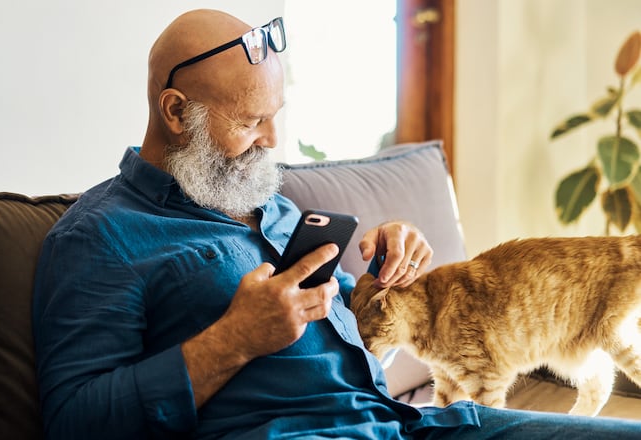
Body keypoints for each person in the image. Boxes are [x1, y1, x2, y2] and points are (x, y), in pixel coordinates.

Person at [32, 9, 641, 439]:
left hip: (410, 423)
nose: (272, 141)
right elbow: (76, 421)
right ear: (174, 112)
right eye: (250, 122)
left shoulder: (264, 199)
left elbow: (333, 307)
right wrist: (234, 339)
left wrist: (384, 273)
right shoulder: (99, 236)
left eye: (276, 116)